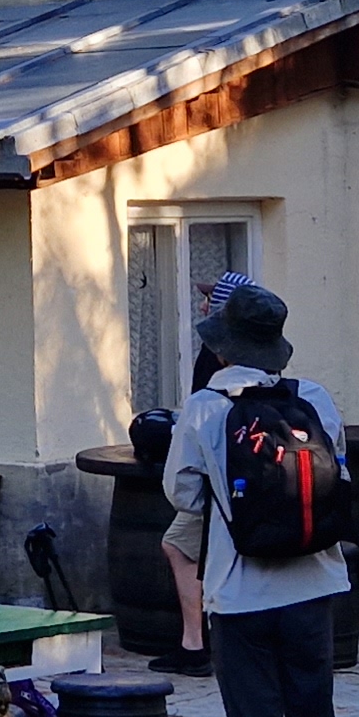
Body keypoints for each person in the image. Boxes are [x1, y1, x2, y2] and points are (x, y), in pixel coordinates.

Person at [162, 284, 354, 717]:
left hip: (238, 593)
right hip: (316, 583)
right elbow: (338, 477)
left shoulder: (204, 409)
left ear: (222, 351)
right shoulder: (315, 399)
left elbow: (183, 496)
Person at [154, 270, 262, 677]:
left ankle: (196, 645)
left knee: (180, 545)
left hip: (219, 479)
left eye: (210, 300)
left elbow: (207, 419)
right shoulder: (261, 357)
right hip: (251, 475)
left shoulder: (214, 357)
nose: (202, 306)